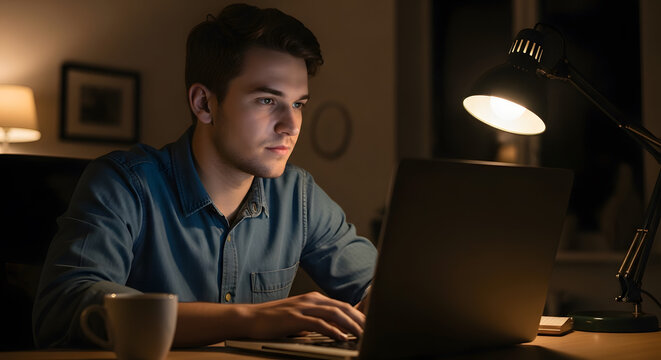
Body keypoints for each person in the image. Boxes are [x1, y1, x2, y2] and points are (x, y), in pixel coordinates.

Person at [32, 3, 377, 348]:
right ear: (204, 104)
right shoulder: (123, 183)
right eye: (267, 101)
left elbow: (385, 286)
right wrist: (251, 319)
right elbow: (66, 306)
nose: (291, 126)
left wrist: (386, 302)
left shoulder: (298, 196)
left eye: (298, 104)